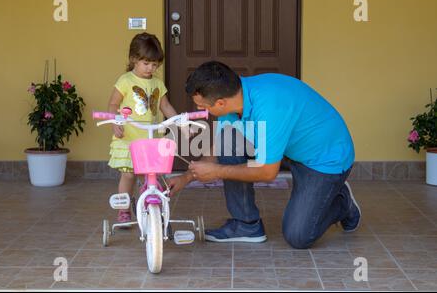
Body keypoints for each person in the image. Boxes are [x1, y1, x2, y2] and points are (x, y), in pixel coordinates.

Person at [167, 61, 361, 249]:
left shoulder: (270, 108)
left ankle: (342, 202)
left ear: (220, 103)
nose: (202, 112)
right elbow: (220, 147)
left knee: (298, 236)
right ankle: (247, 225)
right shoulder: (234, 97)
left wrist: (217, 172)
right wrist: (186, 177)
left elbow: (267, 172)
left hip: (325, 159)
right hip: (292, 147)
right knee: (229, 139)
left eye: (204, 107)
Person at [107, 32, 181, 224]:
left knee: (152, 175)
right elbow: (113, 104)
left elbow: (165, 106)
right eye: (146, 63)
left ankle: (151, 203)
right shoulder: (125, 80)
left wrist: (179, 121)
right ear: (134, 59)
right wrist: (116, 120)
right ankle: (123, 209)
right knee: (129, 173)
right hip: (130, 137)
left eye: (155, 65)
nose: (151, 68)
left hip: (152, 138)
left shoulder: (157, 83)